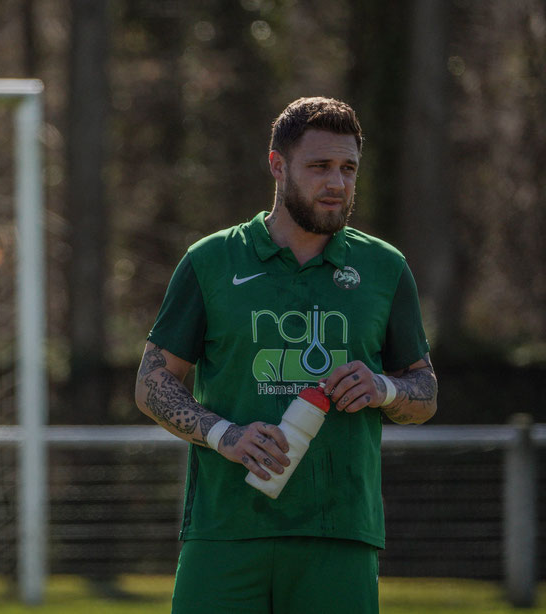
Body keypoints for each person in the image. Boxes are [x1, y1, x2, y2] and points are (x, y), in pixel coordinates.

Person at [135, 96, 438, 614]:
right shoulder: (211, 260)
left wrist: (382, 388)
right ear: (277, 165)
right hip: (225, 529)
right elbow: (153, 383)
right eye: (319, 167)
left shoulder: (384, 268)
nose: (337, 184)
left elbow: (425, 392)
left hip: (340, 531)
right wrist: (226, 435)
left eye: (348, 168)